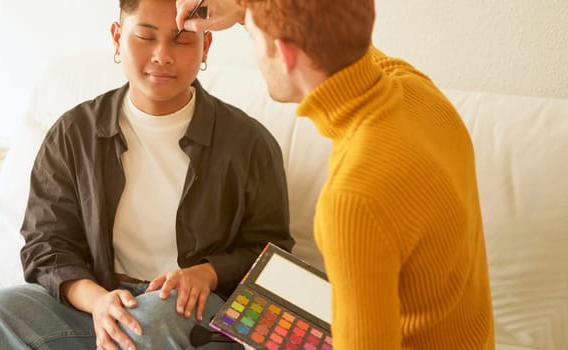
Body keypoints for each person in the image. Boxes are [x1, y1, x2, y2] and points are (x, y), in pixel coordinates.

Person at [0, 0, 293, 349]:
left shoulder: (248, 142)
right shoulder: (74, 134)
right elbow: (47, 244)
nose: (162, 55)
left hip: (185, 308)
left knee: (151, 319)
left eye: (181, 40)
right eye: (145, 37)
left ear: (205, 45)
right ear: (118, 38)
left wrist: (206, 273)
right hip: (97, 302)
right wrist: (97, 301)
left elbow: (271, 251)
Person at [175, 0, 496, 349]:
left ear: (285, 54)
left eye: (252, 36)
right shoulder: (421, 94)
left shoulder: (353, 198)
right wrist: (248, 12)